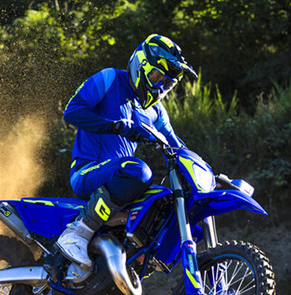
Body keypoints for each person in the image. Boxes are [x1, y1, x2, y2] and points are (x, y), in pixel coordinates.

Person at [55, 34, 197, 270]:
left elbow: (178, 147)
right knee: (139, 170)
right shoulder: (110, 78)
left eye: (168, 83)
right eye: (157, 77)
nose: (161, 87)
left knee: (160, 202)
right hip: (87, 170)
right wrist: (115, 126)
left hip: (119, 180)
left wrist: (209, 174)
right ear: (140, 65)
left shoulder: (156, 112)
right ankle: (77, 233)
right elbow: (72, 112)